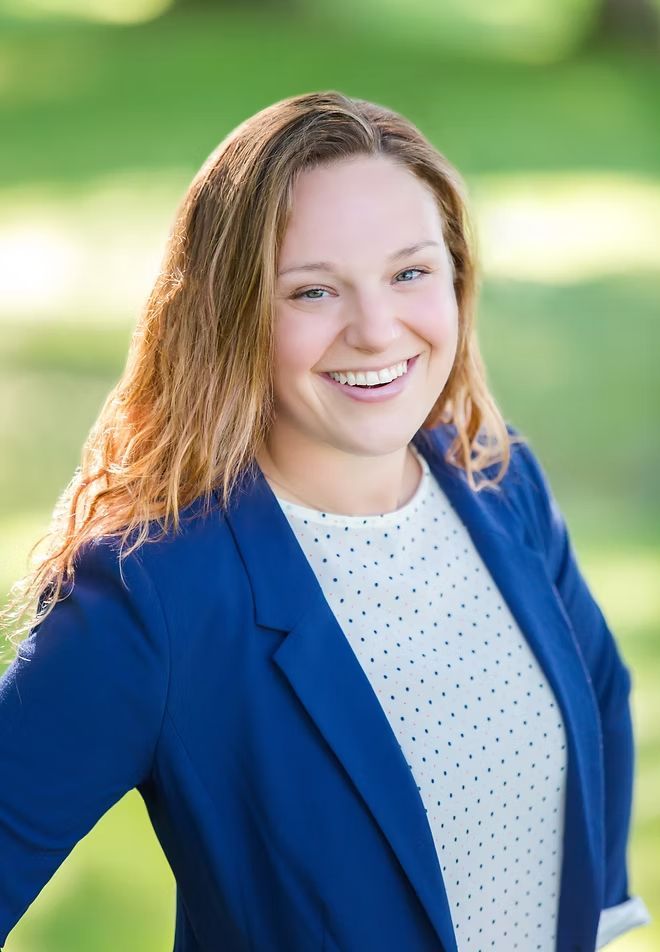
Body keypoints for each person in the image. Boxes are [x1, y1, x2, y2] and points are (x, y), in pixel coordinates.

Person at [0, 91, 651, 952]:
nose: (377, 331)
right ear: (231, 314)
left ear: (456, 276)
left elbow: (598, 693)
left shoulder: (498, 477)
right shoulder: (154, 593)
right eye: (312, 291)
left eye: (410, 273)